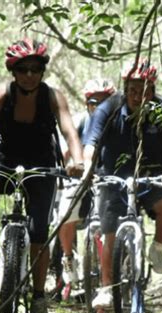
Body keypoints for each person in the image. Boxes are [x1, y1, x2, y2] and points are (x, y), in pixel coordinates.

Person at [0, 38, 84, 313]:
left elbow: (68, 130)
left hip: (41, 160)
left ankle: (38, 299)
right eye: (23, 69)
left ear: (42, 71)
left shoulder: (53, 96)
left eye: (35, 69)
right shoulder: (1, 94)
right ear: (13, 71)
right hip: (4, 156)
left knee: (39, 233)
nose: (29, 75)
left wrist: (76, 160)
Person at [82, 58, 162, 310]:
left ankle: (158, 248)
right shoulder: (109, 108)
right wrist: (87, 170)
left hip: (153, 174)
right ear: (125, 88)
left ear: (154, 89)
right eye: (134, 90)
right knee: (109, 234)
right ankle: (106, 288)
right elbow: (91, 144)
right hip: (114, 174)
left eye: (146, 90)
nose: (139, 96)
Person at [57, 78, 116, 285]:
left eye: (105, 102)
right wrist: (62, 169)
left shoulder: (119, 123)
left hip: (110, 178)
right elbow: (66, 150)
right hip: (82, 176)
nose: (99, 107)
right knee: (65, 213)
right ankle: (68, 258)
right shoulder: (81, 121)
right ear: (86, 104)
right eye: (94, 102)